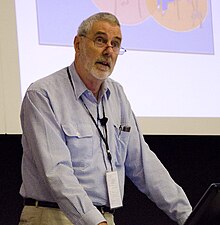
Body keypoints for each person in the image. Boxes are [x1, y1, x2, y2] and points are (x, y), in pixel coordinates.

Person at [18, 12, 192, 225]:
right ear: (78, 44)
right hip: (53, 216)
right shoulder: (43, 94)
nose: (109, 51)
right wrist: (95, 222)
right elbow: (57, 172)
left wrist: (189, 217)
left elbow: (144, 165)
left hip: (104, 218)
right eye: (100, 40)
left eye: (116, 44)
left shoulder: (117, 95)